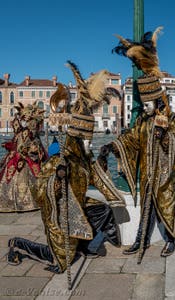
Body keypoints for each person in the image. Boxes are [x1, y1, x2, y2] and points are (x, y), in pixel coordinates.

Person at [7, 61, 125, 274]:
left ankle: (87, 245)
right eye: (85, 142)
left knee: (103, 211)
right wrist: (57, 181)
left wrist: (105, 160)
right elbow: (40, 191)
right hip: (58, 212)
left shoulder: (83, 161)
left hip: (77, 205)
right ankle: (16, 244)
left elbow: (97, 178)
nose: (89, 145)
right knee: (62, 262)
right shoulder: (57, 162)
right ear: (77, 141)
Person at [103, 27, 175, 262]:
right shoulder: (142, 122)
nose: (144, 107)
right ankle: (140, 239)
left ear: (157, 100)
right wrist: (113, 146)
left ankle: (171, 239)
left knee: (166, 206)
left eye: (148, 103)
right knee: (147, 208)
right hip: (148, 174)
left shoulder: (174, 119)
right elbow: (131, 139)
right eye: (144, 103)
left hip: (165, 176)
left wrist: (166, 135)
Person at [0, 102, 48, 212]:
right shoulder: (23, 130)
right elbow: (17, 142)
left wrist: (30, 150)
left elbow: (33, 143)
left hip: (26, 157)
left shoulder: (31, 129)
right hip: (18, 157)